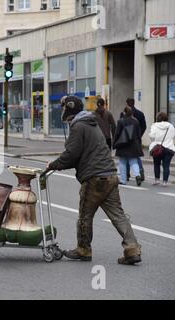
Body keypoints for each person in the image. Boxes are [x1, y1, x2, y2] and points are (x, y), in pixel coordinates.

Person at [47, 95, 142, 265]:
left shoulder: (78, 126)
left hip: (95, 178)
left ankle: (83, 249)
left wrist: (53, 165)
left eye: (63, 108)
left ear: (69, 109)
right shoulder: (91, 122)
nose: (62, 111)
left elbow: (72, 154)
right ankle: (132, 248)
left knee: (85, 214)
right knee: (118, 215)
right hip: (110, 175)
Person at [114, 106, 144, 186]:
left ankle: (123, 180)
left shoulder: (121, 121)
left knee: (122, 162)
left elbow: (117, 133)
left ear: (124, 113)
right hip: (134, 145)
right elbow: (138, 134)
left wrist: (115, 143)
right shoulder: (136, 121)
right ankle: (137, 175)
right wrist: (139, 144)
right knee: (134, 162)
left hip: (123, 144)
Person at [149, 112, 175, 187]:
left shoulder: (154, 125)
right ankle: (165, 182)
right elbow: (173, 135)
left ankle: (157, 180)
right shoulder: (171, 126)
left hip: (157, 148)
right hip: (169, 147)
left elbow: (152, 136)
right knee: (166, 165)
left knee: (156, 164)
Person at [125, 98, 147, 181]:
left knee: (126, 155)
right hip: (137, 139)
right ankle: (141, 171)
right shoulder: (140, 114)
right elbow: (144, 126)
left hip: (126, 138)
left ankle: (126, 174)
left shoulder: (124, 114)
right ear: (134, 103)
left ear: (127, 104)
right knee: (137, 156)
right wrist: (139, 135)